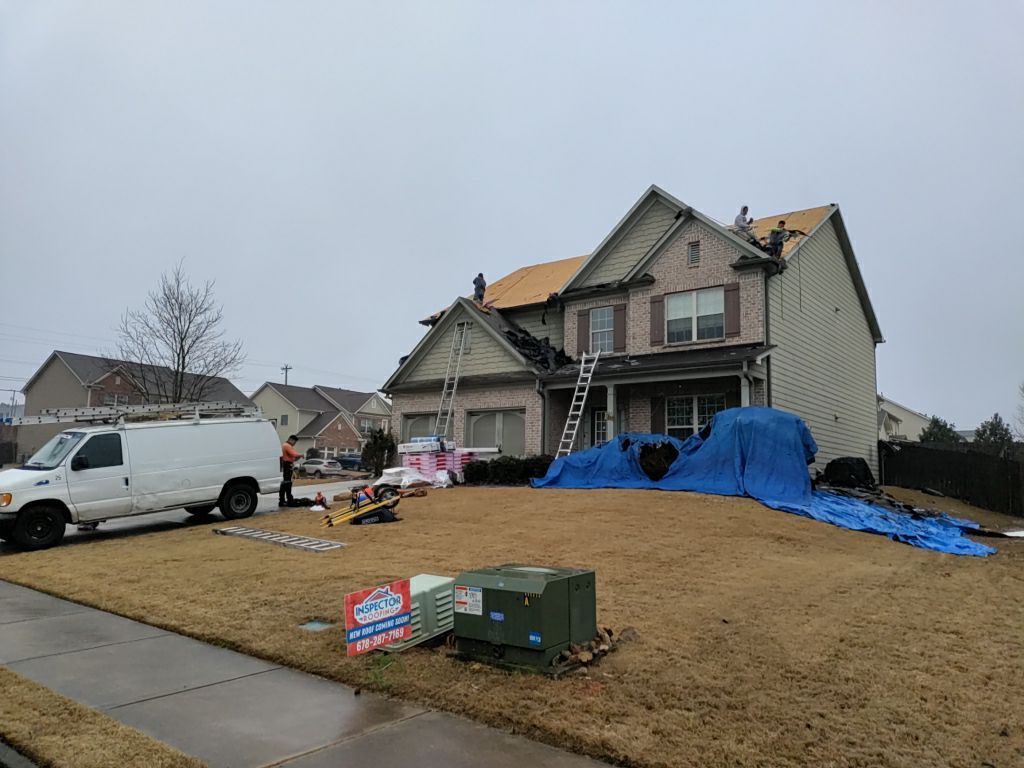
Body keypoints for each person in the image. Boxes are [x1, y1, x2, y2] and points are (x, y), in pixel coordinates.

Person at [279, 434, 301, 507]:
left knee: (284, 483)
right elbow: (294, 454)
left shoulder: (285, 445)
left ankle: (282, 500)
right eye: (294, 442)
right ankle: (288, 500)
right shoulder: (287, 446)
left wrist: (296, 458)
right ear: (291, 440)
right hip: (287, 466)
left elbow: (292, 457)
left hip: (286, 465)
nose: (294, 444)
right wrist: (301, 455)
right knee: (287, 483)